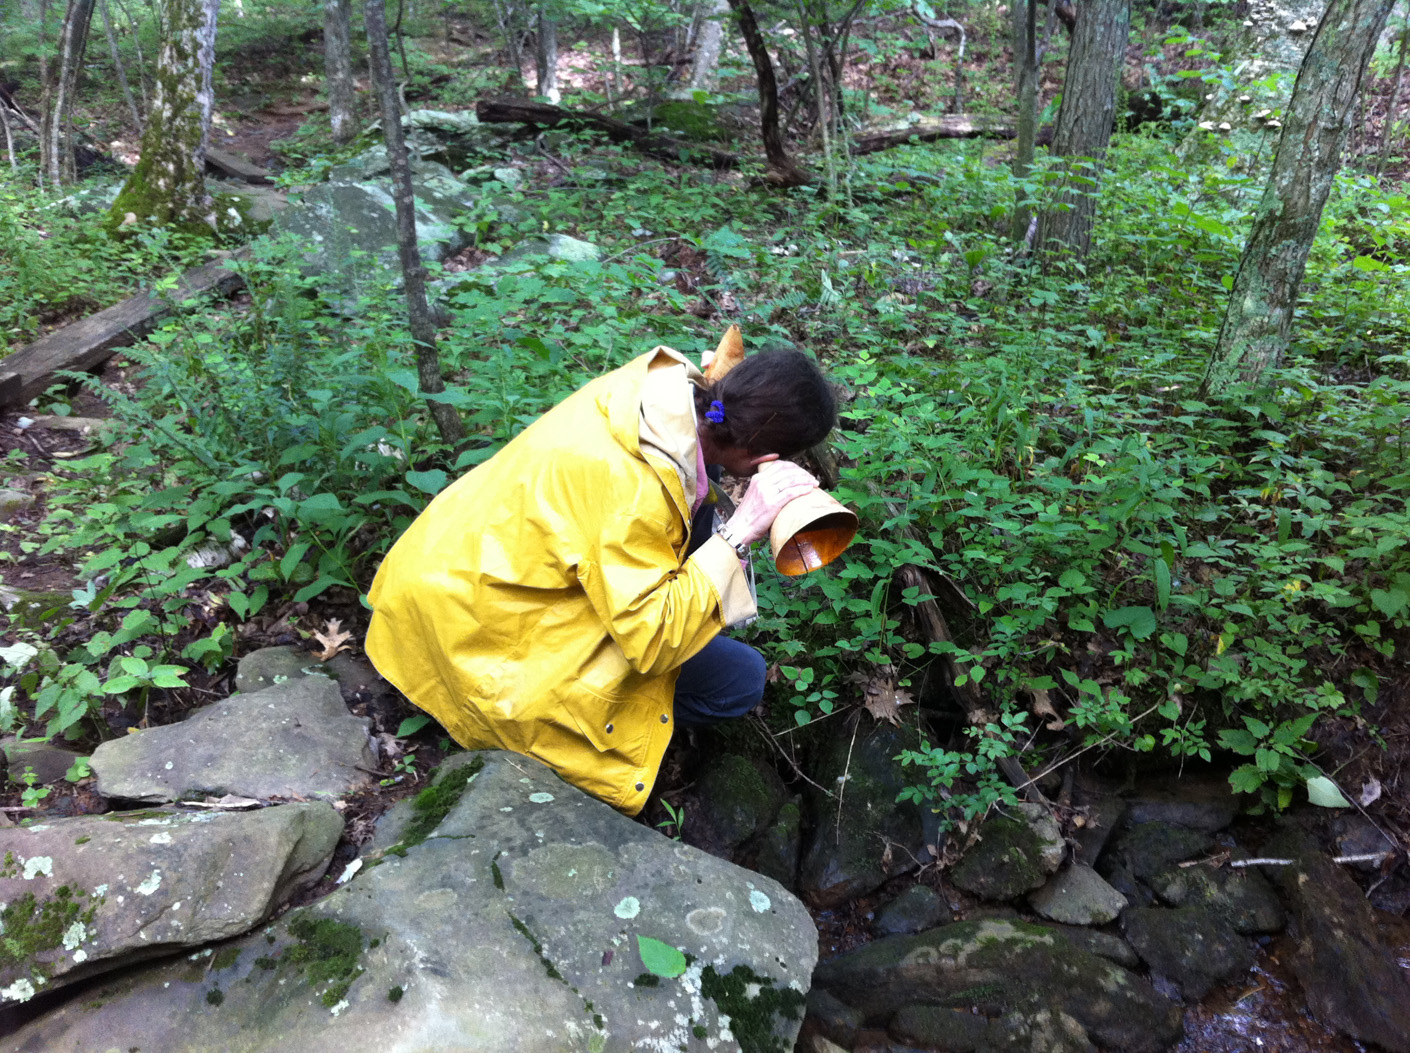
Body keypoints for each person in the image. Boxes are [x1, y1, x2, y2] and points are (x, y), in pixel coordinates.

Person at [364, 342, 837, 815]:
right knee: (740, 679)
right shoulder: (636, 487)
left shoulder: (658, 396)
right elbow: (653, 643)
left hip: (446, 584)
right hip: (477, 644)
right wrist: (738, 533)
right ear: (766, 453)